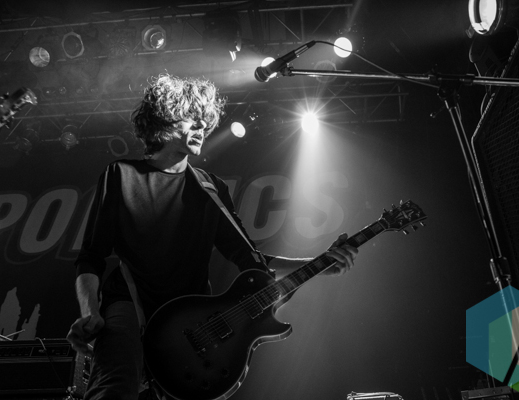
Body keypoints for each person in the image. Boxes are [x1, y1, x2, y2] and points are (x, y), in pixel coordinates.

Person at [66, 73, 358, 400]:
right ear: (163, 121)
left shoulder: (210, 187)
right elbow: (90, 258)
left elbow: (250, 260)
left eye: (204, 118)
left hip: (191, 317)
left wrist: (320, 262)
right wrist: (90, 312)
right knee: (113, 390)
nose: (202, 125)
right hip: (129, 303)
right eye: (191, 117)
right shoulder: (122, 175)